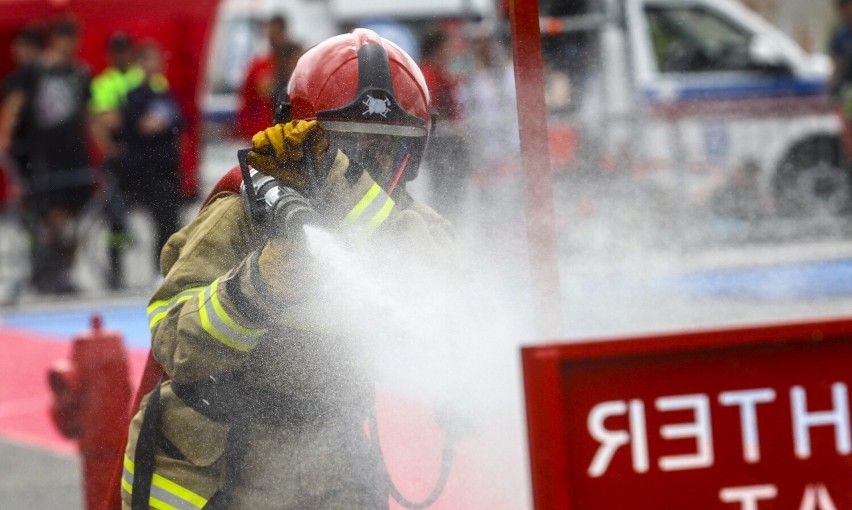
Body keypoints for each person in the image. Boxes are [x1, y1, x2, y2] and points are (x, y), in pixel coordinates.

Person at [121, 28, 454, 509]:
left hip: (335, 458)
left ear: (414, 155)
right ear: (304, 138)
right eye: (346, 148)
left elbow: (450, 297)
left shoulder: (404, 228)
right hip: (224, 466)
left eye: (387, 151)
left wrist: (343, 188)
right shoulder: (242, 213)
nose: (368, 167)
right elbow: (172, 342)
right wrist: (255, 289)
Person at [2, 16, 93, 294]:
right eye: (64, 38)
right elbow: (15, 105)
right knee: (53, 215)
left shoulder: (79, 72)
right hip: (47, 153)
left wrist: (106, 143)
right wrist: (3, 139)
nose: (69, 45)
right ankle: (49, 271)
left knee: (76, 218)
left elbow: (89, 112)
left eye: (73, 39)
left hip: (75, 151)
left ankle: (65, 272)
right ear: (56, 40)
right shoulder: (36, 71)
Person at [116, 40, 183, 274]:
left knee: (172, 223)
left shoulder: (164, 92)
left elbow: (178, 121)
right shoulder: (134, 96)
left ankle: (170, 269)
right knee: (161, 221)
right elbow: (137, 127)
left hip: (168, 166)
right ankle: (160, 269)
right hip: (148, 168)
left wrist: (161, 125)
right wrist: (158, 125)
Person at [89, 31, 146, 290]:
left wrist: (123, 116)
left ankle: (157, 268)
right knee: (115, 216)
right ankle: (115, 273)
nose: (120, 55)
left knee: (153, 209)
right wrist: (109, 146)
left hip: (142, 155)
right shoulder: (104, 82)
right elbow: (102, 120)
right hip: (118, 155)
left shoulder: (142, 77)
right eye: (116, 50)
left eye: (124, 50)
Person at [418, 26, 469, 219]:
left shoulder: (441, 73)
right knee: (444, 196)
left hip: (448, 144)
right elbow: (431, 112)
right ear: (438, 48)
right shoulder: (428, 73)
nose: (453, 52)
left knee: (454, 197)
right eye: (449, 46)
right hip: (441, 144)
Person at [236, 15, 303, 139]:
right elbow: (248, 100)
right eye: (270, 32)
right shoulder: (260, 66)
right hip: (263, 132)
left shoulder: (291, 63)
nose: (272, 37)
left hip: (279, 133)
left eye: (276, 32)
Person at [0, 23, 46, 180]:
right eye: (19, 44)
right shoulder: (18, 77)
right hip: (31, 145)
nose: (20, 49)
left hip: (32, 147)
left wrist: (4, 137)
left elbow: (14, 105)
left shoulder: (24, 77)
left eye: (27, 45)